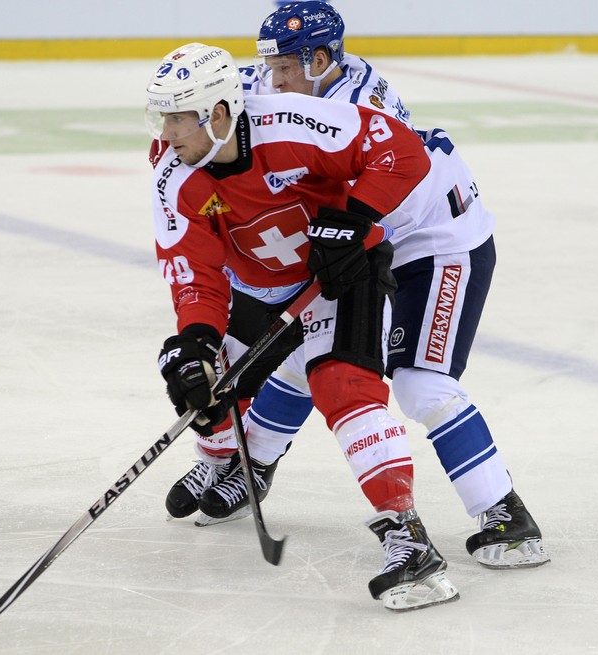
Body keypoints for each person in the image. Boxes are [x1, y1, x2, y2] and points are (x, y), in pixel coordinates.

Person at [163, 1, 549, 570]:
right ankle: (253, 464)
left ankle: (505, 513)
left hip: (435, 240)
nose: (274, 79)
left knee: (421, 383)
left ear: (322, 60)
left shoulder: (358, 104)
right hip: (357, 232)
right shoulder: (287, 86)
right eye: (269, 66)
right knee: (306, 351)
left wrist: (347, 223)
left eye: (287, 68)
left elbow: (394, 165)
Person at [147, 41, 460, 610]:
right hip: (263, 286)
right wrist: (194, 341)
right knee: (209, 384)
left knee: (343, 388)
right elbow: (194, 272)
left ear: (219, 114)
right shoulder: (175, 177)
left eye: (178, 117)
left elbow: (403, 153)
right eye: (160, 116)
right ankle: (222, 465)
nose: (166, 133)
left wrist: (352, 219)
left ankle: (408, 539)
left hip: (339, 277)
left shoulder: (296, 122)